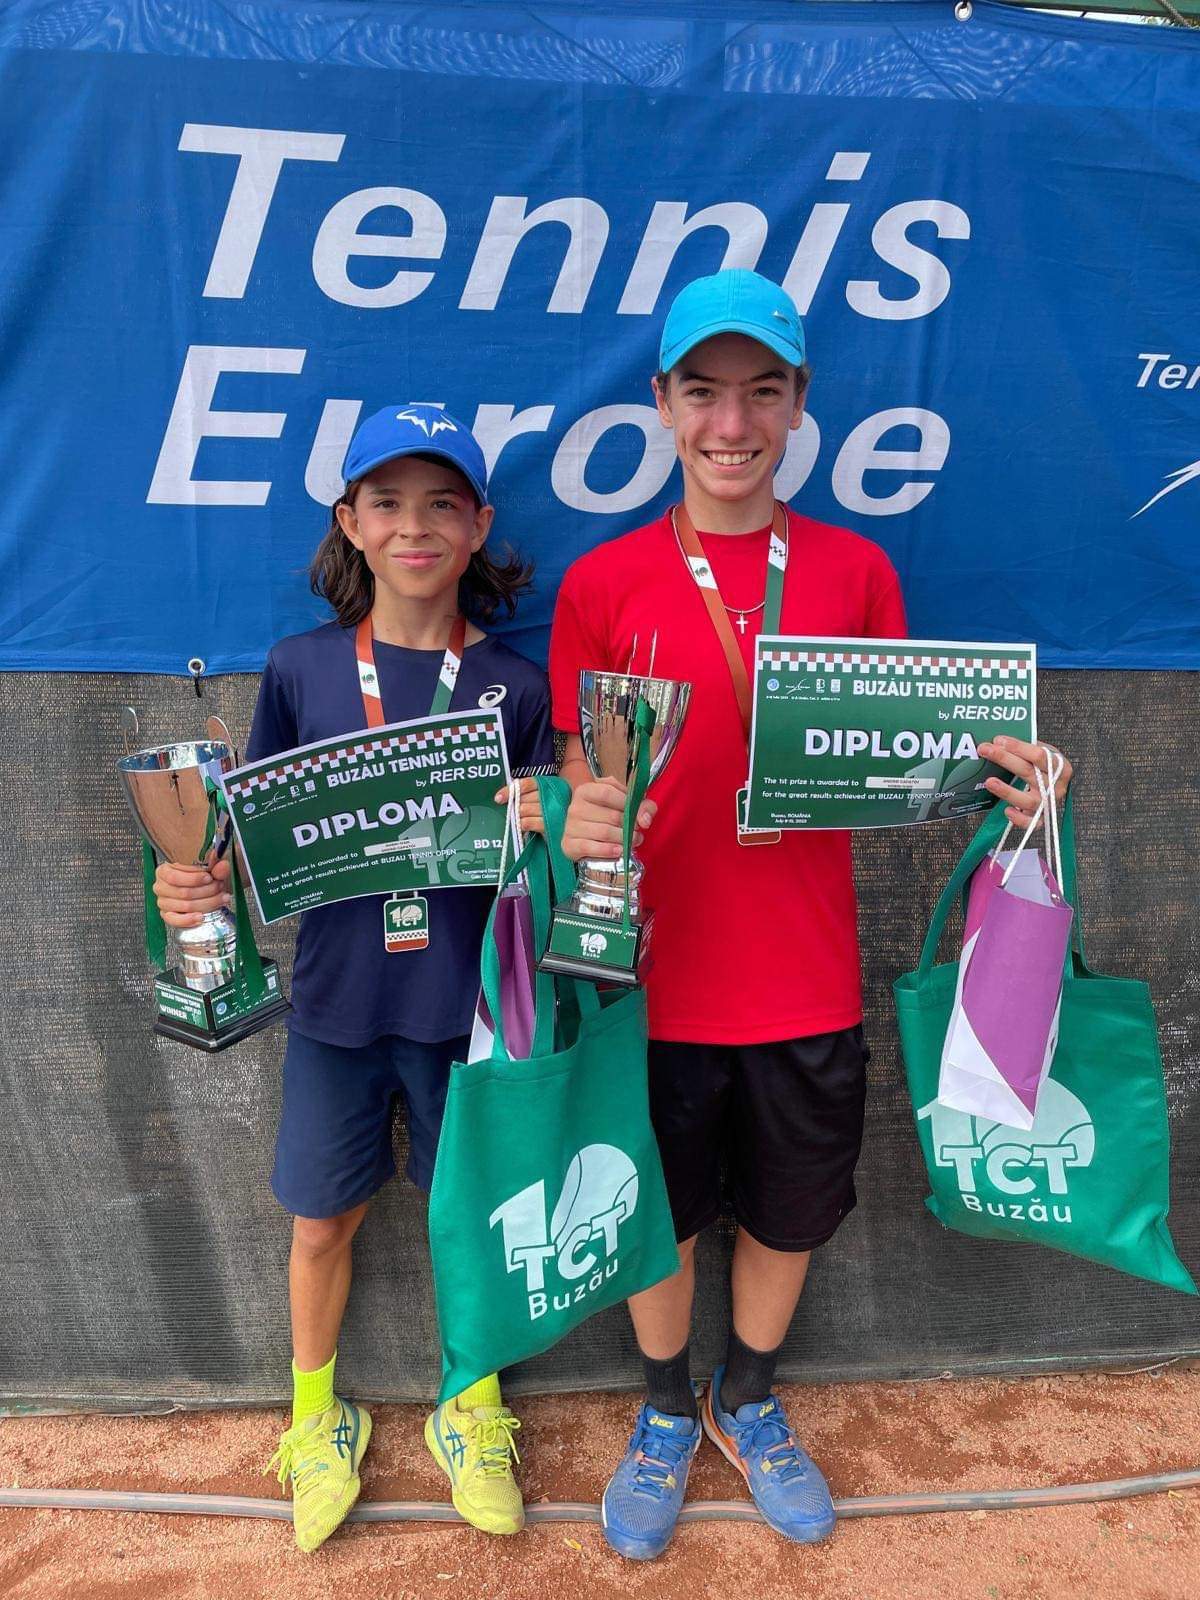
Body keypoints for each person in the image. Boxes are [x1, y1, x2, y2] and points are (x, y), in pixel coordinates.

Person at [548, 270, 1072, 1560]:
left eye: (762, 393)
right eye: (706, 392)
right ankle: (667, 1409)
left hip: (804, 981)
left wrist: (1016, 787)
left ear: (799, 409)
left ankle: (749, 1396)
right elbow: (577, 761)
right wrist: (577, 806)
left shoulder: (856, 570)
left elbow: (913, 764)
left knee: (790, 1213)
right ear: (664, 404)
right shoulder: (602, 583)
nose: (733, 424)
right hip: (652, 981)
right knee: (659, 1213)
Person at [153, 405, 551, 1552]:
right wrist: (199, 888)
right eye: (387, 502)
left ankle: (469, 1407)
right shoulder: (302, 667)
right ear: (350, 522)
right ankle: (316, 1415)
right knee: (320, 1221)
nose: (413, 526)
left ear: (477, 526)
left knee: (466, 1219)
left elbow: (545, 858)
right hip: (335, 1006)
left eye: (441, 503)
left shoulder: (515, 686)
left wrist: (547, 813)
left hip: (465, 1009)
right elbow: (249, 845)